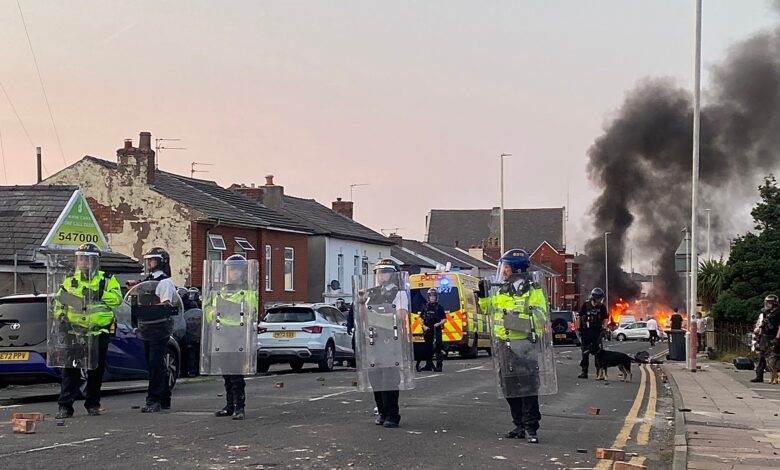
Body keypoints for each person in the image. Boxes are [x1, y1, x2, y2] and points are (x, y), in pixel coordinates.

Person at [490, 249, 553, 444]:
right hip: (504, 344)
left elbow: (540, 316)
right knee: (508, 385)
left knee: (528, 386)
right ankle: (518, 423)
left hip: (525, 344)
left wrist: (515, 319)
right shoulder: (501, 289)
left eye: (507, 267)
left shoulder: (533, 291)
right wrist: (481, 296)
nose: (504, 271)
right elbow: (489, 310)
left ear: (516, 268)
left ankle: (530, 427)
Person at [53, 243, 122, 419]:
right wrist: (61, 317)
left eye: (87, 258)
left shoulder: (106, 279)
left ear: (94, 261)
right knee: (70, 371)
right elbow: (59, 302)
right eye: (80, 258)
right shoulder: (70, 280)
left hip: (98, 333)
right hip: (74, 332)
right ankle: (65, 407)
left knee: (95, 372)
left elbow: (117, 300)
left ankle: (93, 404)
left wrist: (99, 293)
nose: (83, 262)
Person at [355, 259, 410, 428]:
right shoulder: (371, 293)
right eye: (378, 272)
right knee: (375, 379)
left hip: (390, 340)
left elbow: (400, 316)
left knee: (389, 379)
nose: (381, 276)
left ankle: (393, 414)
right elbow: (363, 317)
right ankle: (382, 411)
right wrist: (362, 303)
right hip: (373, 340)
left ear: (393, 274)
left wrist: (378, 318)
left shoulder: (399, 293)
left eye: (385, 272)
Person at [206, 255, 259, 420]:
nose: (232, 273)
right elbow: (208, 313)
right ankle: (229, 405)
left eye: (236, 270)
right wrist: (212, 314)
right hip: (221, 336)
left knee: (236, 374)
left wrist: (235, 310)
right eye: (230, 270)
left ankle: (239, 407)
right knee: (226, 374)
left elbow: (252, 313)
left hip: (237, 336)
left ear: (243, 273)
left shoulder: (248, 293)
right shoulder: (219, 293)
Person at [137, 247, 178, 413]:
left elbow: (165, 304)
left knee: (156, 364)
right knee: (155, 364)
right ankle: (164, 397)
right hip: (148, 326)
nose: (149, 263)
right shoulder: (148, 280)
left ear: (161, 261)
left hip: (159, 327)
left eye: (152, 260)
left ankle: (153, 399)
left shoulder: (164, 281)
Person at [577, 288, 609, 379]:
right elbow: (579, 316)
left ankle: (599, 373)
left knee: (598, 353)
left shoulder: (602, 307)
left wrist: (605, 328)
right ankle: (584, 371)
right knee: (585, 352)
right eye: (599, 298)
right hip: (586, 332)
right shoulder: (586, 305)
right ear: (594, 298)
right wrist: (578, 328)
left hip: (597, 332)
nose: (600, 300)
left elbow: (605, 318)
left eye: (601, 298)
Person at [752, 294, 780, 383]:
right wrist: (759, 337)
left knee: (774, 357)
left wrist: (777, 338)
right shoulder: (765, 312)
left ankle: (775, 376)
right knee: (762, 356)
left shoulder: (778, 313)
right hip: (765, 337)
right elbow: (762, 325)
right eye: (766, 302)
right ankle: (759, 376)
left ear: (774, 303)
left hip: (774, 336)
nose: (767, 304)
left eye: (770, 303)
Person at [417, 288, 446, 372]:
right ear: (428, 297)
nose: (432, 298)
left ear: (436, 297)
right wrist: (423, 326)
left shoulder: (439, 307)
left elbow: (444, 319)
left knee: (438, 347)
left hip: (436, 330)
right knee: (428, 348)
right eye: (431, 296)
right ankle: (428, 365)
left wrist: (439, 324)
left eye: (434, 296)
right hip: (428, 330)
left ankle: (439, 365)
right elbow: (420, 318)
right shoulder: (425, 307)